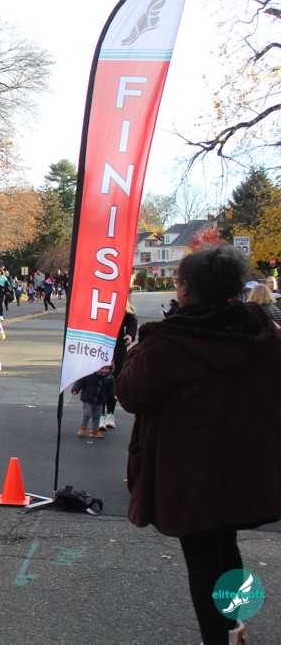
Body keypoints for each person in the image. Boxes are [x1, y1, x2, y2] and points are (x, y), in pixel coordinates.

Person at [118, 244, 281, 645]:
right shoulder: (263, 330)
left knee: (204, 558)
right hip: (249, 461)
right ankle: (234, 623)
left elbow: (132, 395)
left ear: (187, 288)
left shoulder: (169, 340)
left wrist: (133, 352)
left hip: (191, 469)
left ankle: (219, 635)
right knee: (227, 543)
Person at [100, 297, 137, 431]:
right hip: (99, 344)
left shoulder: (122, 303)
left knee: (113, 381)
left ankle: (110, 414)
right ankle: (100, 415)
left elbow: (132, 321)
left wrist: (130, 335)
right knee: (99, 379)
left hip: (118, 347)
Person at [71, 365, 113, 438]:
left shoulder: (109, 378)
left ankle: (95, 430)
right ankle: (83, 427)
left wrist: (114, 394)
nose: (104, 370)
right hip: (87, 399)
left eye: (107, 368)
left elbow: (112, 387)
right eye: (102, 369)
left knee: (97, 415)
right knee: (87, 414)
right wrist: (75, 389)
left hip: (100, 400)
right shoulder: (89, 375)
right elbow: (80, 382)